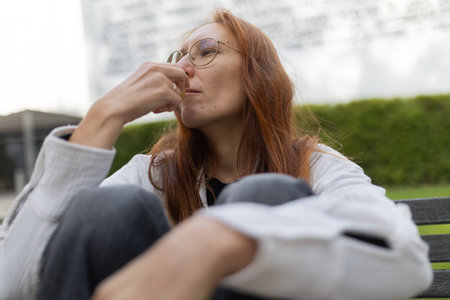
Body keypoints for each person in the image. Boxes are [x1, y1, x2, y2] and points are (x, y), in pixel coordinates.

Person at [0, 9, 432, 300]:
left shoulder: (317, 168)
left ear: (256, 76)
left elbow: (408, 259)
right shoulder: (152, 176)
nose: (182, 68)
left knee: (269, 197)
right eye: (179, 57)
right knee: (107, 207)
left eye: (205, 52)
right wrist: (104, 117)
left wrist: (224, 239)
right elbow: (11, 283)